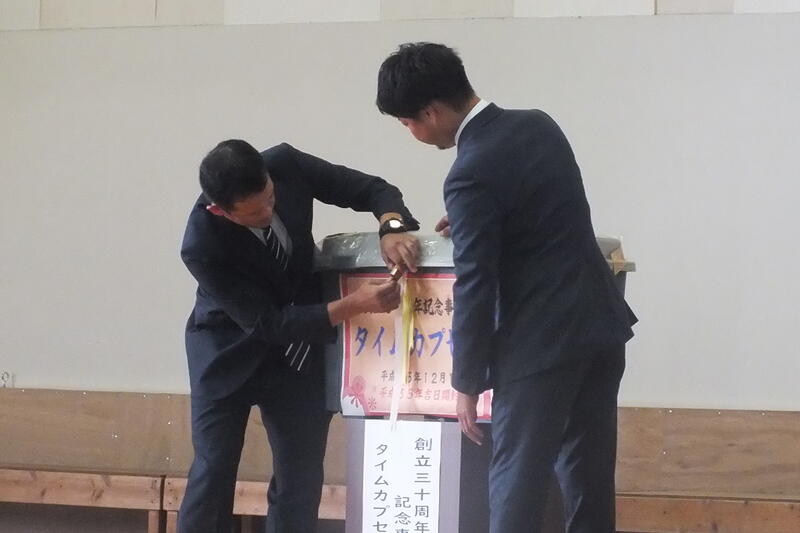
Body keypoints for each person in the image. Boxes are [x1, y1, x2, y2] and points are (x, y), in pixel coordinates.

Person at [376, 42, 637, 533]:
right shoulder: (538, 125)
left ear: (431, 112)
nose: (412, 133)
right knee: (588, 484)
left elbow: (476, 283)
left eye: (407, 123)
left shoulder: (468, 173)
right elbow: (543, 208)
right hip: (598, 327)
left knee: (516, 487)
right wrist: (476, 216)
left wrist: (465, 381)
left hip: (539, 349)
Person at [178, 139, 420, 533]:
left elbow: (372, 189)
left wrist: (391, 226)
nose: (268, 213)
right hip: (228, 350)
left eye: (270, 199)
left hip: (299, 351)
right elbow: (269, 325)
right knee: (213, 471)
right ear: (220, 210)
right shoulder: (201, 243)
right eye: (254, 214)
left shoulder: (286, 164)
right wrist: (355, 304)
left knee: (301, 476)